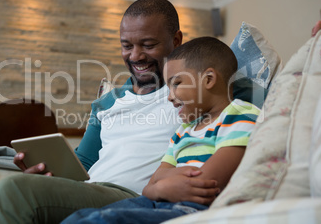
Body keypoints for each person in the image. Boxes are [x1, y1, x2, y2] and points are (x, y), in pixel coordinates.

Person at [0, 0, 220, 224]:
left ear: (177, 40)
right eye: (126, 45)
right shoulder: (107, 102)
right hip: (89, 189)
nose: (135, 56)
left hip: (130, 196)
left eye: (148, 44)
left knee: (13, 191)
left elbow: (228, 122)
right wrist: (43, 169)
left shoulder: (191, 93)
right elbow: (83, 161)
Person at [62, 37, 261, 224]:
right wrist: (164, 186)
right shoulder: (184, 131)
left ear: (209, 79)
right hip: (158, 201)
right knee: (81, 216)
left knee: (105, 220)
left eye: (176, 84)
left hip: (193, 208)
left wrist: (163, 184)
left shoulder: (240, 115)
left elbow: (204, 184)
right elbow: (150, 186)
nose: (170, 96)